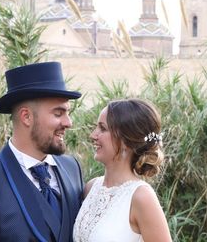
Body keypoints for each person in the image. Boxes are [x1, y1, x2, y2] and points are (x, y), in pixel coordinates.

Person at [0, 61, 84, 242]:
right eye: (58, 113)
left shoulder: (72, 169)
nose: (68, 123)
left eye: (67, 113)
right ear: (26, 117)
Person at [73, 98, 172, 242]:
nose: (93, 135)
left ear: (126, 140)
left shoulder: (141, 197)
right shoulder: (91, 187)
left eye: (103, 128)